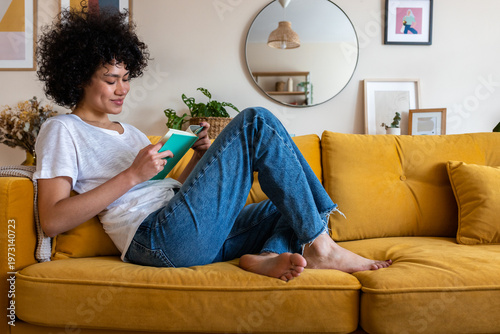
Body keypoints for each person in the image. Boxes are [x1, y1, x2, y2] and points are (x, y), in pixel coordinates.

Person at [34, 8, 391, 282]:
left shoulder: (130, 132)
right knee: (255, 121)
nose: (123, 88)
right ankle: (323, 247)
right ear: (79, 77)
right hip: (155, 239)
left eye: (126, 78)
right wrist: (130, 176)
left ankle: (266, 256)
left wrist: (197, 160)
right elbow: (51, 220)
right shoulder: (62, 130)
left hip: (190, 231)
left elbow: (163, 191)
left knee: (296, 204)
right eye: (111, 79)